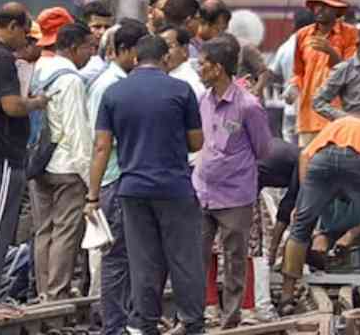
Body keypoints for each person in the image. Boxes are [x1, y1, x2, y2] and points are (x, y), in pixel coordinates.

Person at [88, 35, 205, 335]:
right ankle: (192, 322)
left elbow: (101, 147)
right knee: (184, 258)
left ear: (136, 58)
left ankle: (145, 324)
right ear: (165, 58)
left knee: (143, 261)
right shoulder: (181, 90)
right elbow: (196, 142)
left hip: (132, 190)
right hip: (175, 188)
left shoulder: (114, 93)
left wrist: (92, 196)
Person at [0, 4, 49, 317]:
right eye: (25, 33)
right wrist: (38, 102)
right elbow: (13, 106)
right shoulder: (0, 58)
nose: (26, 41)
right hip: (0, 154)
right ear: (13, 26)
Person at [280, 102, 360, 310]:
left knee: (300, 226)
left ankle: (286, 297)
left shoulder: (335, 125)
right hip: (356, 159)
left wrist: (302, 200)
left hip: (322, 160)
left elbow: (305, 155)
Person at [193, 36, 271, 329]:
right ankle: (199, 313)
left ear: (218, 68)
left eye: (203, 64)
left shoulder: (248, 106)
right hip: (203, 191)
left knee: (235, 258)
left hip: (235, 195)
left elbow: (263, 148)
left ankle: (232, 318)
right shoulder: (203, 100)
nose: (198, 69)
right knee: (198, 255)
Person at [87, 20, 145, 335]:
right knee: (117, 256)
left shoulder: (118, 82)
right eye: (139, 52)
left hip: (118, 176)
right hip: (114, 176)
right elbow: (102, 142)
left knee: (125, 254)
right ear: (122, 50)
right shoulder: (110, 86)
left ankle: (123, 321)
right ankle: (114, 324)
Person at [28, 23, 94, 302]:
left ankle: (43, 290)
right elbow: (76, 130)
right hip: (66, 166)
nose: (91, 53)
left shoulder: (40, 70)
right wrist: (90, 178)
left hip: (38, 162)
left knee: (44, 229)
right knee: (66, 231)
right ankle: (57, 293)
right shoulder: (72, 79)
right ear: (74, 47)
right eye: (89, 47)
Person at [292, 0, 358, 146]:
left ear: (337, 11)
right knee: (307, 165)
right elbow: (298, 72)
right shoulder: (302, 35)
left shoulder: (350, 35)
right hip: (308, 116)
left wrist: (331, 52)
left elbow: (352, 73)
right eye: (317, 5)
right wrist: (293, 87)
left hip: (338, 115)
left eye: (326, 6)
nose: (320, 9)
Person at [313, 26, 360, 122]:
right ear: (358, 45)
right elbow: (318, 102)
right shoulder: (345, 69)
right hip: (357, 129)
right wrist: (345, 118)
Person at [161, 26, 206, 99]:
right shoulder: (163, 75)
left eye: (168, 47)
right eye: (160, 47)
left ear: (184, 50)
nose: (163, 53)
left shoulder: (189, 82)